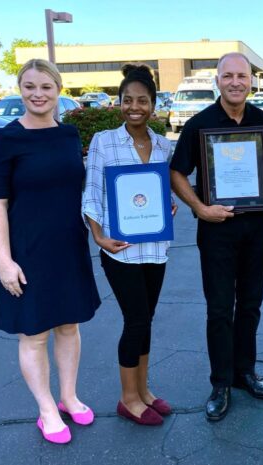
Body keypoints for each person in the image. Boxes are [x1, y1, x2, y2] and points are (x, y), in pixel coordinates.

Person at [0, 59, 101, 444]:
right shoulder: (5, 140)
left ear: (58, 90)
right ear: (20, 89)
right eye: (30, 86)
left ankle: (68, 397)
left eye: (46, 87)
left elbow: (83, 189)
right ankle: (47, 409)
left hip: (68, 244)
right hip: (27, 251)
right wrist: (4, 260)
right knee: (34, 333)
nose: (38, 94)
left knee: (69, 324)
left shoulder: (68, 135)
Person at [170, 52, 263, 422]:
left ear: (251, 81)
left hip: (257, 227)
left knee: (250, 304)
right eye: (228, 75)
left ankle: (245, 372)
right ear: (217, 80)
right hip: (215, 228)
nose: (235, 82)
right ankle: (220, 382)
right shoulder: (199, 123)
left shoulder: (262, 121)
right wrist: (199, 208)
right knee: (219, 309)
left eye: (241, 76)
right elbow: (177, 173)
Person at [82, 64, 175, 426]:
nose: (134, 106)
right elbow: (92, 193)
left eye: (143, 100)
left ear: (153, 104)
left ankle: (144, 390)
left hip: (155, 248)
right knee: (135, 320)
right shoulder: (104, 142)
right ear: (119, 103)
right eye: (127, 100)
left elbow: (158, 192)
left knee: (146, 320)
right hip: (119, 248)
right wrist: (98, 235)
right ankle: (127, 398)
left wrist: (168, 203)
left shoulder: (164, 145)